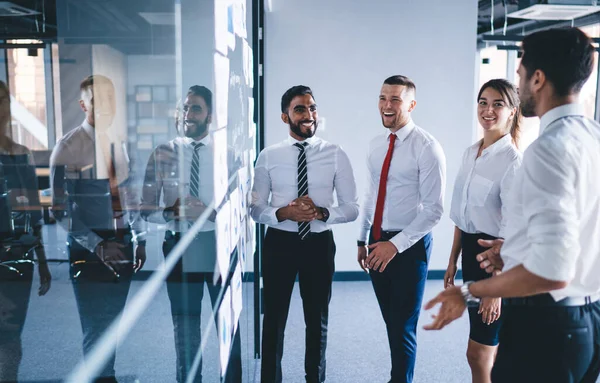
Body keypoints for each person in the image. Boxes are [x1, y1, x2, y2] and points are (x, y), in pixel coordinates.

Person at [424, 27, 600, 383]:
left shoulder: (545, 150)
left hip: (548, 324)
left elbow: (554, 271)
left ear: (538, 79)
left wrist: (469, 291)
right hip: (588, 319)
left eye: (519, 75)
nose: (518, 84)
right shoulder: (592, 137)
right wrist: (514, 247)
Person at [250, 85, 359, 383]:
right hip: (278, 244)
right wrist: (285, 213)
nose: (309, 115)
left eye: (312, 108)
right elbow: (255, 208)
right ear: (285, 117)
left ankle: (315, 379)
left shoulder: (336, 155)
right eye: (300, 109)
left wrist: (321, 213)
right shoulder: (268, 156)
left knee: (317, 320)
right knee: (273, 320)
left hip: (318, 244)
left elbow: (352, 208)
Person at [140, 85, 242, 383]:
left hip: (219, 247)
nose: (187, 114)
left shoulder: (229, 155)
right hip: (179, 246)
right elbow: (146, 209)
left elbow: (242, 209)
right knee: (184, 329)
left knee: (228, 326)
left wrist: (209, 214)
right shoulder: (162, 154)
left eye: (195, 108)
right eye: (184, 108)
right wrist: (173, 213)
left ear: (209, 114)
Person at [50, 75, 146, 383]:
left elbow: (128, 197)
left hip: (122, 243)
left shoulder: (118, 144)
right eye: (97, 101)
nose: (105, 107)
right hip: (90, 248)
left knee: (112, 324)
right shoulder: (68, 148)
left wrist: (139, 238)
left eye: (110, 100)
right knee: (95, 325)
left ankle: (107, 375)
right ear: (83, 105)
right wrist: (98, 245)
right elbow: (60, 211)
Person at [357, 75, 446, 383]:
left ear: (412, 104)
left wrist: (394, 245)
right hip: (376, 238)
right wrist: (362, 237)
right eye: (383, 98)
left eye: (395, 99)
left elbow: (434, 211)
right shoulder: (375, 144)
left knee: (403, 326)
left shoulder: (427, 148)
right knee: (391, 323)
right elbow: (371, 194)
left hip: (409, 246)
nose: (387, 105)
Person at [444, 79, 522, 383]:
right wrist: (452, 259)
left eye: (498, 104)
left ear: (513, 111)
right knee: (487, 350)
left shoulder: (512, 163)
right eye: (483, 102)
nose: (488, 110)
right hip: (471, 256)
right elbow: (462, 216)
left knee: (479, 353)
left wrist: (496, 290)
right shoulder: (470, 153)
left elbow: (512, 231)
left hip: (496, 264)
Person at [0, 79, 51, 382]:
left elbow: (34, 211)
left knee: (11, 336)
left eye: (4, 100)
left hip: (19, 255)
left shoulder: (22, 153)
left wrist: (42, 259)